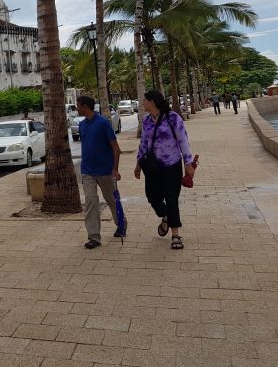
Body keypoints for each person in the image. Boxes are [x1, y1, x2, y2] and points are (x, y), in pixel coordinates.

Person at [135, 90, 195, 249]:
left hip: (172, 165)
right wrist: (138, 164)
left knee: (171, 199)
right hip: (152, 167)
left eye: (145, 100)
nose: (143, 103)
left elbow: (183, 140)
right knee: (152, 197)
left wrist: (188, 163)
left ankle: (175, 235)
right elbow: (143, 143)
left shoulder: (173, 118)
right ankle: (166, 216)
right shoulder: (147, 120)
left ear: (152, 102)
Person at [76, 95, 121, 249]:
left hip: (105, 170)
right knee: (91, 202)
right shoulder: (82, 125)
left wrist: (115, 169)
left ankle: (121, 224)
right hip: (87, 171)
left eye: (78, 105)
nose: (76, 108)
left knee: (112, 200)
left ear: (85, 107)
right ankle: (94, 237)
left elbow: (115, 147)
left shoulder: (103, 123)